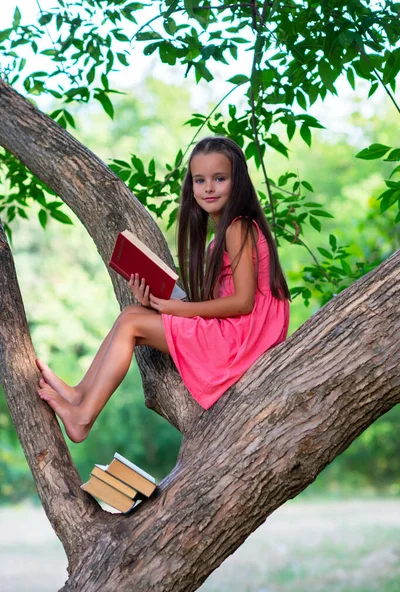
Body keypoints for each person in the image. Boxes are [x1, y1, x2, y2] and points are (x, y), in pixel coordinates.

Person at [37, 136, 290, 442]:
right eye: (200, 180)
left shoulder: (239, 227)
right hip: (233, 335)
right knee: (133, 312)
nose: (208, 188)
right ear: (191, 186)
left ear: (237, 183)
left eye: (219, 179)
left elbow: (243, 303)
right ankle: (80, 394)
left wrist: (180, 309)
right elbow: (216, 304)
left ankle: (82, 417)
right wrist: (159, 301)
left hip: (242, 343)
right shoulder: (219, 238)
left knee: (132, 322)